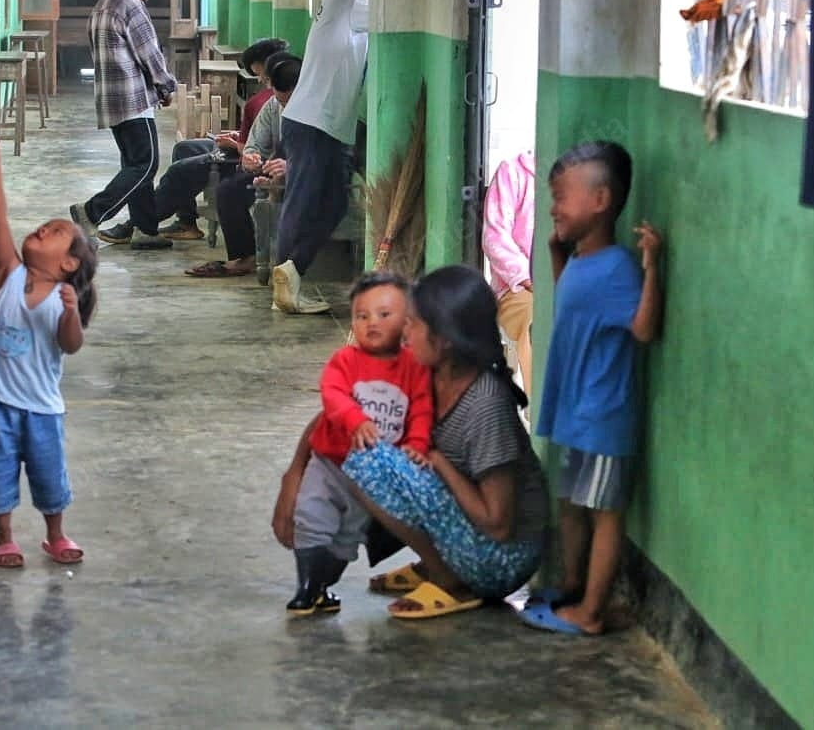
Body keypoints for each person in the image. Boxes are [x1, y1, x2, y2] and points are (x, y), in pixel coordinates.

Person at [272, 265, 548, 619]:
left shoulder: (485, 405)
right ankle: (435, 564)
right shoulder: (424, 371)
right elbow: (336, 417)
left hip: (500, 559)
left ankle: (451, 581)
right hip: (467, 533)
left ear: (445, 339)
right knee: (364, 442)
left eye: (414, 324)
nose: (404, 332)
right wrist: (294, 475)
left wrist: (438, 461)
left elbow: (498, 524)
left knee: (371, 461)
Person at [518, 141, 663, 636]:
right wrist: (558, 256)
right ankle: (574, 583)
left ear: (600, 201)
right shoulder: (581, 260)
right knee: (571, 502)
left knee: (604, 513)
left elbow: (641, 330)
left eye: (562, 196)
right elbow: (577, 304)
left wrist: (651, 270)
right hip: (577, 412)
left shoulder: (621, 267)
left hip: (603, 415)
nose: (553, 206)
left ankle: (592, 613)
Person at [0, 146, 98, 568]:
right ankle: (4, 538)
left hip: (43, 410)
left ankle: (55, 535)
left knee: (49, 476)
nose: (44, 229)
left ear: (67, 263)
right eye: (45, 226)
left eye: (56, 231)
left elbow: (70, 345)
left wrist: (69, 313)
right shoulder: (10, 274)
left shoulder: (62, 300)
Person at [284, 272, 433, 615]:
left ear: (408, 321)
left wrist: (417, 444)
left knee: (347, 536)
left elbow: (422, 409)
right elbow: (333, 395)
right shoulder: (345, 360)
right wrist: (356, 420)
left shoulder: (414, 368)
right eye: (361, 316)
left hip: (371, 480)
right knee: (310, 516)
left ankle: (323, 587)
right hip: (330, 463)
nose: (371, 323)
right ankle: (306, 587)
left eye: (384, 315)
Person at [98, 37, 290, 245]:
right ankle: (186, 222)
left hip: (244, 159)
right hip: (243, 147)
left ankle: (139, 223)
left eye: (260, 73)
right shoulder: (265, 101)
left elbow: (254, 150)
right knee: (184, 148)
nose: (259, 79)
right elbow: (255, 136)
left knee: (180, 170)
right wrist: (236, 136)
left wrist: (235, 144)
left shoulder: (267, 101)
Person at [270, 0, 370, 314]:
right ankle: (286, 281)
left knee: (332, 203)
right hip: (314, 123)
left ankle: (292, 271)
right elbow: (399, 10)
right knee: (304, 201)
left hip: (324, 125)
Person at [70, 0, 177, 251]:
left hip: (111, 100)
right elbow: (150, 54)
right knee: (146, 164)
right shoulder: (131, 6)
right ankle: (91, 212)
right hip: (133, 100)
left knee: (135, 164)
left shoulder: (103, 3)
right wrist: (166, 86)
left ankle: (145, 229)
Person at [184, 52, 302, 278]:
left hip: (305, 174)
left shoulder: (317, 110)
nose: (283, 106)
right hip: (272, 169)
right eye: (280, 100)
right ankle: (244, 257)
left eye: (288, 100)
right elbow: (254, 143)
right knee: (229, 190)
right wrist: (251, 157)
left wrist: (291, 168)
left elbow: (320, 157)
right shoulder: (272, 105)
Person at [482, 151, 536, 393]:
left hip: (569, 285)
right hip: (517, 290)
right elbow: (494, 237)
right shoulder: (513, 172)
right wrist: (531, 279)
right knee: (538, 318)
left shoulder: (581, 176)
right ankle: (540, 414)